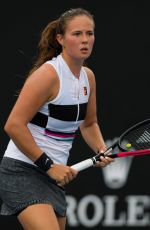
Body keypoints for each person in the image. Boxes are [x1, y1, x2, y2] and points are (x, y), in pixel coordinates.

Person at [0, 8, 114, 230]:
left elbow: (89, 123)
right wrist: (49, 165)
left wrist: (101, 148)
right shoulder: (48, 75)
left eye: (89, 34)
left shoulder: (88, 78)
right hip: (23, 170)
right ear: (60, 39)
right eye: (77, 34)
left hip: (54, 176)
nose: (85, 40)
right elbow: (13, 125)